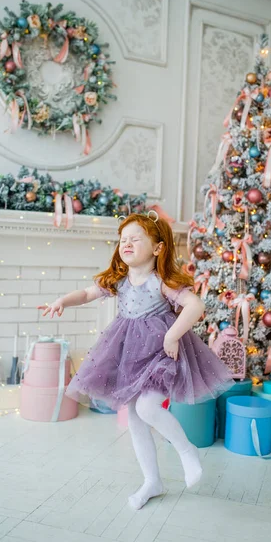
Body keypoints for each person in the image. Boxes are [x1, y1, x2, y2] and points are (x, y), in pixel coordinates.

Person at [38, 212, 234, 509]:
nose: (126, 244)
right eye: (123, 240)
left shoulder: (161, 282)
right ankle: (152, 481)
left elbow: (195, 305)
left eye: (135, 239)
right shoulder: (119, 280)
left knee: (147, 407)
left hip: (160, 353)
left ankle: (186, 450)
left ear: (157, 248)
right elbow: (88, 292)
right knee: (135, 416)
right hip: (128, 353)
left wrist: (172, 336)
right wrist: (63, 301)